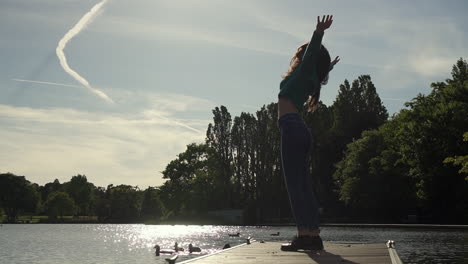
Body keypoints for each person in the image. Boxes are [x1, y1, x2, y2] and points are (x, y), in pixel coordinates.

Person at [278, 15, 339, 251]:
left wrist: (318, 32)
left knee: (296, 185)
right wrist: (329, 66)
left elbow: (312, 55)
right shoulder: (313, 78)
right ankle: (313, 235)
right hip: (300, 130)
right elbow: (318, 69)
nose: (298, 57)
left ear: (305, 59)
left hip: (291, 128)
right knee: (303, 185)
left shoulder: (305, 74)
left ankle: (304, 235)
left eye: (301, 55)